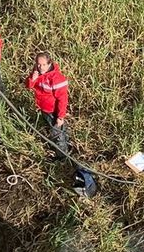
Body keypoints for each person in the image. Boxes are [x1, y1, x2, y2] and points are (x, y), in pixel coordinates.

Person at [25, 53, 95, 196]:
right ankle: (65, 145)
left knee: (57, 132)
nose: (40, 67)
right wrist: (32, 79)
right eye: (38, 64)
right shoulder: (37, 73)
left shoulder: (57, 79)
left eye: (44, 64)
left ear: (50, 63)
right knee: (58, 131)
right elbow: (29, 86)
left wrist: (60, 116)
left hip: (53, 111)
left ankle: (61, 155)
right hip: (44, 108)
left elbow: (63, 99)